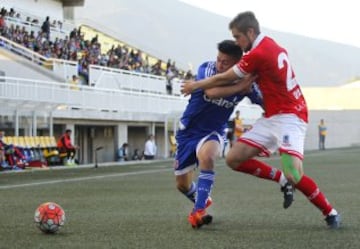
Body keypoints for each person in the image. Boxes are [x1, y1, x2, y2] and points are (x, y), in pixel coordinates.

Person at [181, 11, 340, 229]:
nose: (236, 42)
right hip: (272, 116)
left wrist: (194, 85)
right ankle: (282, 179)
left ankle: (329, 212)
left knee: (293, 172)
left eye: (238, 37)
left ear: (250, 32)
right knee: (233, 158)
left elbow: (226, 78)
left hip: (289, 117)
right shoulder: (268, 45)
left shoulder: (257, 53)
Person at [175, 39, 291, 229]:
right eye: (219, 59)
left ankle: (198, 210)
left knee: (208, 156)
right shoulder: (207, 68)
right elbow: (211, 92)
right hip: (188, 132)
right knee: (182, 185)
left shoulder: (247, 82)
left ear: (237, 64)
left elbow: (268, 104)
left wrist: (285, 119)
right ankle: (203, 198)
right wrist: (240, 88)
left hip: (213, 131)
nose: (220, 65)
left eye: (225, 62)